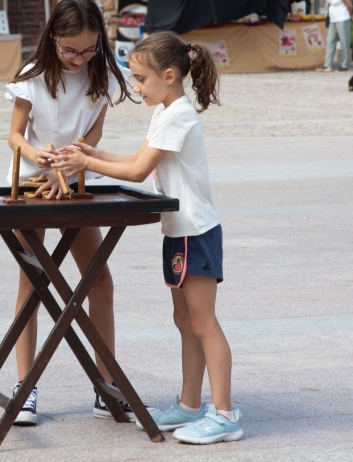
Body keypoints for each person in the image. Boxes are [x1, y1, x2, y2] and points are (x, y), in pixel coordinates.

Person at [53, 31, 243, 445]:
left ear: (169, 75)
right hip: (179, 231)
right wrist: (90, 154)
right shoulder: (165, 110)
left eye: (141, 79)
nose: (136, 87)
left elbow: (138, 173)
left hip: (196, 231)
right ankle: (190, 404)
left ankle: (225, 413)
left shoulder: (178, 115)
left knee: (203, 323)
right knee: (185, 322)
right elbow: (136, 159)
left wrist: (87, 160)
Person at [4, 0, 140, 426]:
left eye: (88, 49)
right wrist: (39, 156)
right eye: (69, 50)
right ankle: (24, 388)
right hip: (32, 179)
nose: (79, 58)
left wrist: (74, 156)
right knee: (32, 282)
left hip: (79, 178)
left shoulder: (103, 70)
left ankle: (106, 387)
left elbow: (95, 130)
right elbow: (14, 136)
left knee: (99, 281)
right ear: (53, 40)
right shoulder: (33, 75)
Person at [317, 0, 353, 72]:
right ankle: (327, 64)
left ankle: (345, 64)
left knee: (344, 41)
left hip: (342, 18)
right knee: (330, 40)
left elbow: (349, 5)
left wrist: (350, 15)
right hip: (333, 19)